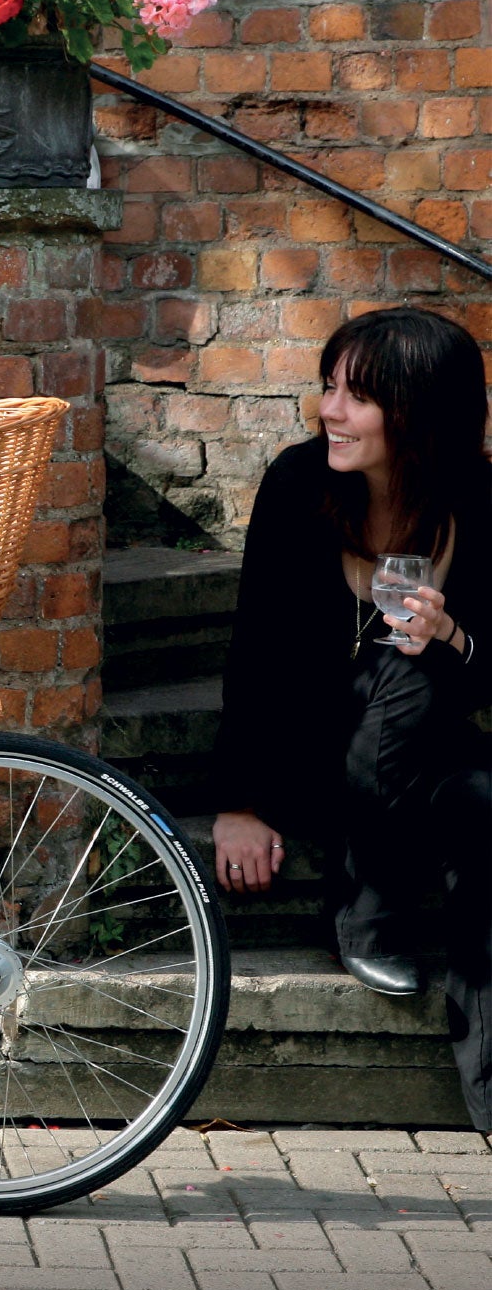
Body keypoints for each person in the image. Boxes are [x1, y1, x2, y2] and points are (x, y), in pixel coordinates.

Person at [210, 306, 490, 1132]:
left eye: (356, 395)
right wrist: (239, 804)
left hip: (432, 755)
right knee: (389, 676)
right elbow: (254, 651)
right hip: (318, 755)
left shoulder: (479, 502)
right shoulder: (300, 485)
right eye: (328, 387)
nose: (329, 410)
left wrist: (453, 635)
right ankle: (365, 907)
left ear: (420, 411)